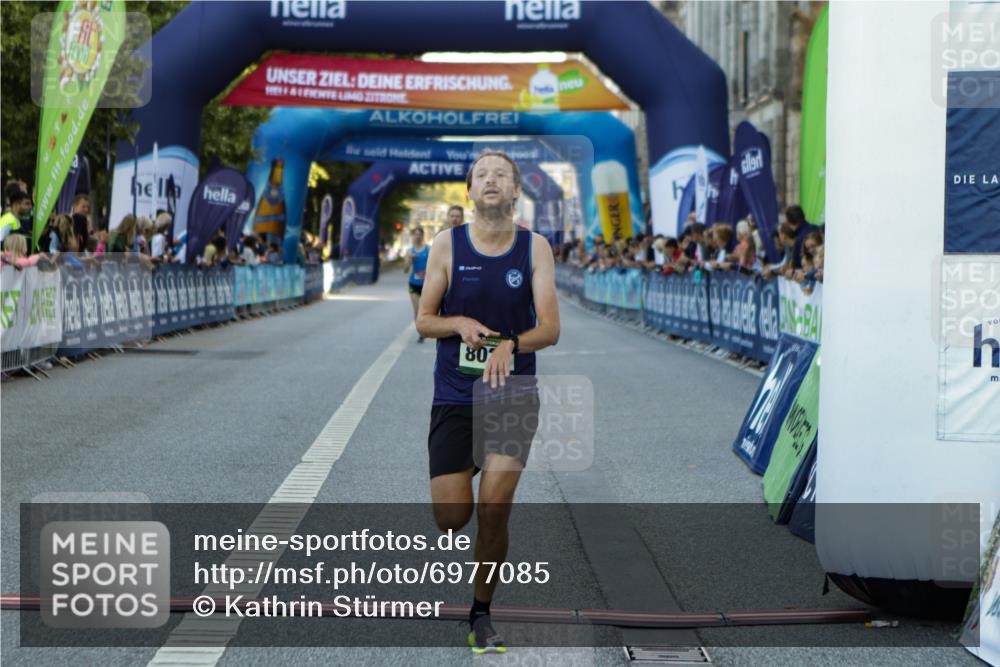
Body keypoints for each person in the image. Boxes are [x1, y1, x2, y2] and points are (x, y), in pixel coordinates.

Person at [415, 150, 560, 655]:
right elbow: (424, 320)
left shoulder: (535, 248)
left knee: (494, 510)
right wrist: (458, 324)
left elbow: (550, 329)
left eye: (501, 174)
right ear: (470, 192)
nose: (491, 180)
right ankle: (473, 459)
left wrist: (511, 344)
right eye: (482, 175)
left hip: (513, 393)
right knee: (453, 517)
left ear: (516, 190)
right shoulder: (445, 246)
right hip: (455, 394)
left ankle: (481, 611)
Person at [404, 226, 430, 343]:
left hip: (427, 285)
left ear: (422, 235)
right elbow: (405, 270)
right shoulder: (410, 251)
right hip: (413, 284)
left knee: (425, 310)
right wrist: (409, 260)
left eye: (420, 234)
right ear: (412, 236)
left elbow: (434, 266)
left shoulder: (428, 250)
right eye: (415, 234)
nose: (417, 236)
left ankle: (425, 327)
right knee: (417, 310)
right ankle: (421, 333)